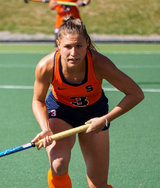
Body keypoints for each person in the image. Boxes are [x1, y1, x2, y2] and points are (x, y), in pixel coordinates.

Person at [31, 16, 144, 188]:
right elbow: (38, 100)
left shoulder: (100, 63)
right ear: (58, 45)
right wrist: (45, 127)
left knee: (98, 184)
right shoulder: (46, 66)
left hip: (95, 114)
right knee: (58, 165)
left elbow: (136, 94)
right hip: (61, 112)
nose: (73, 53)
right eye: (68, 47)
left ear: (87, 44)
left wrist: (106, 119)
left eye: (79, 46)